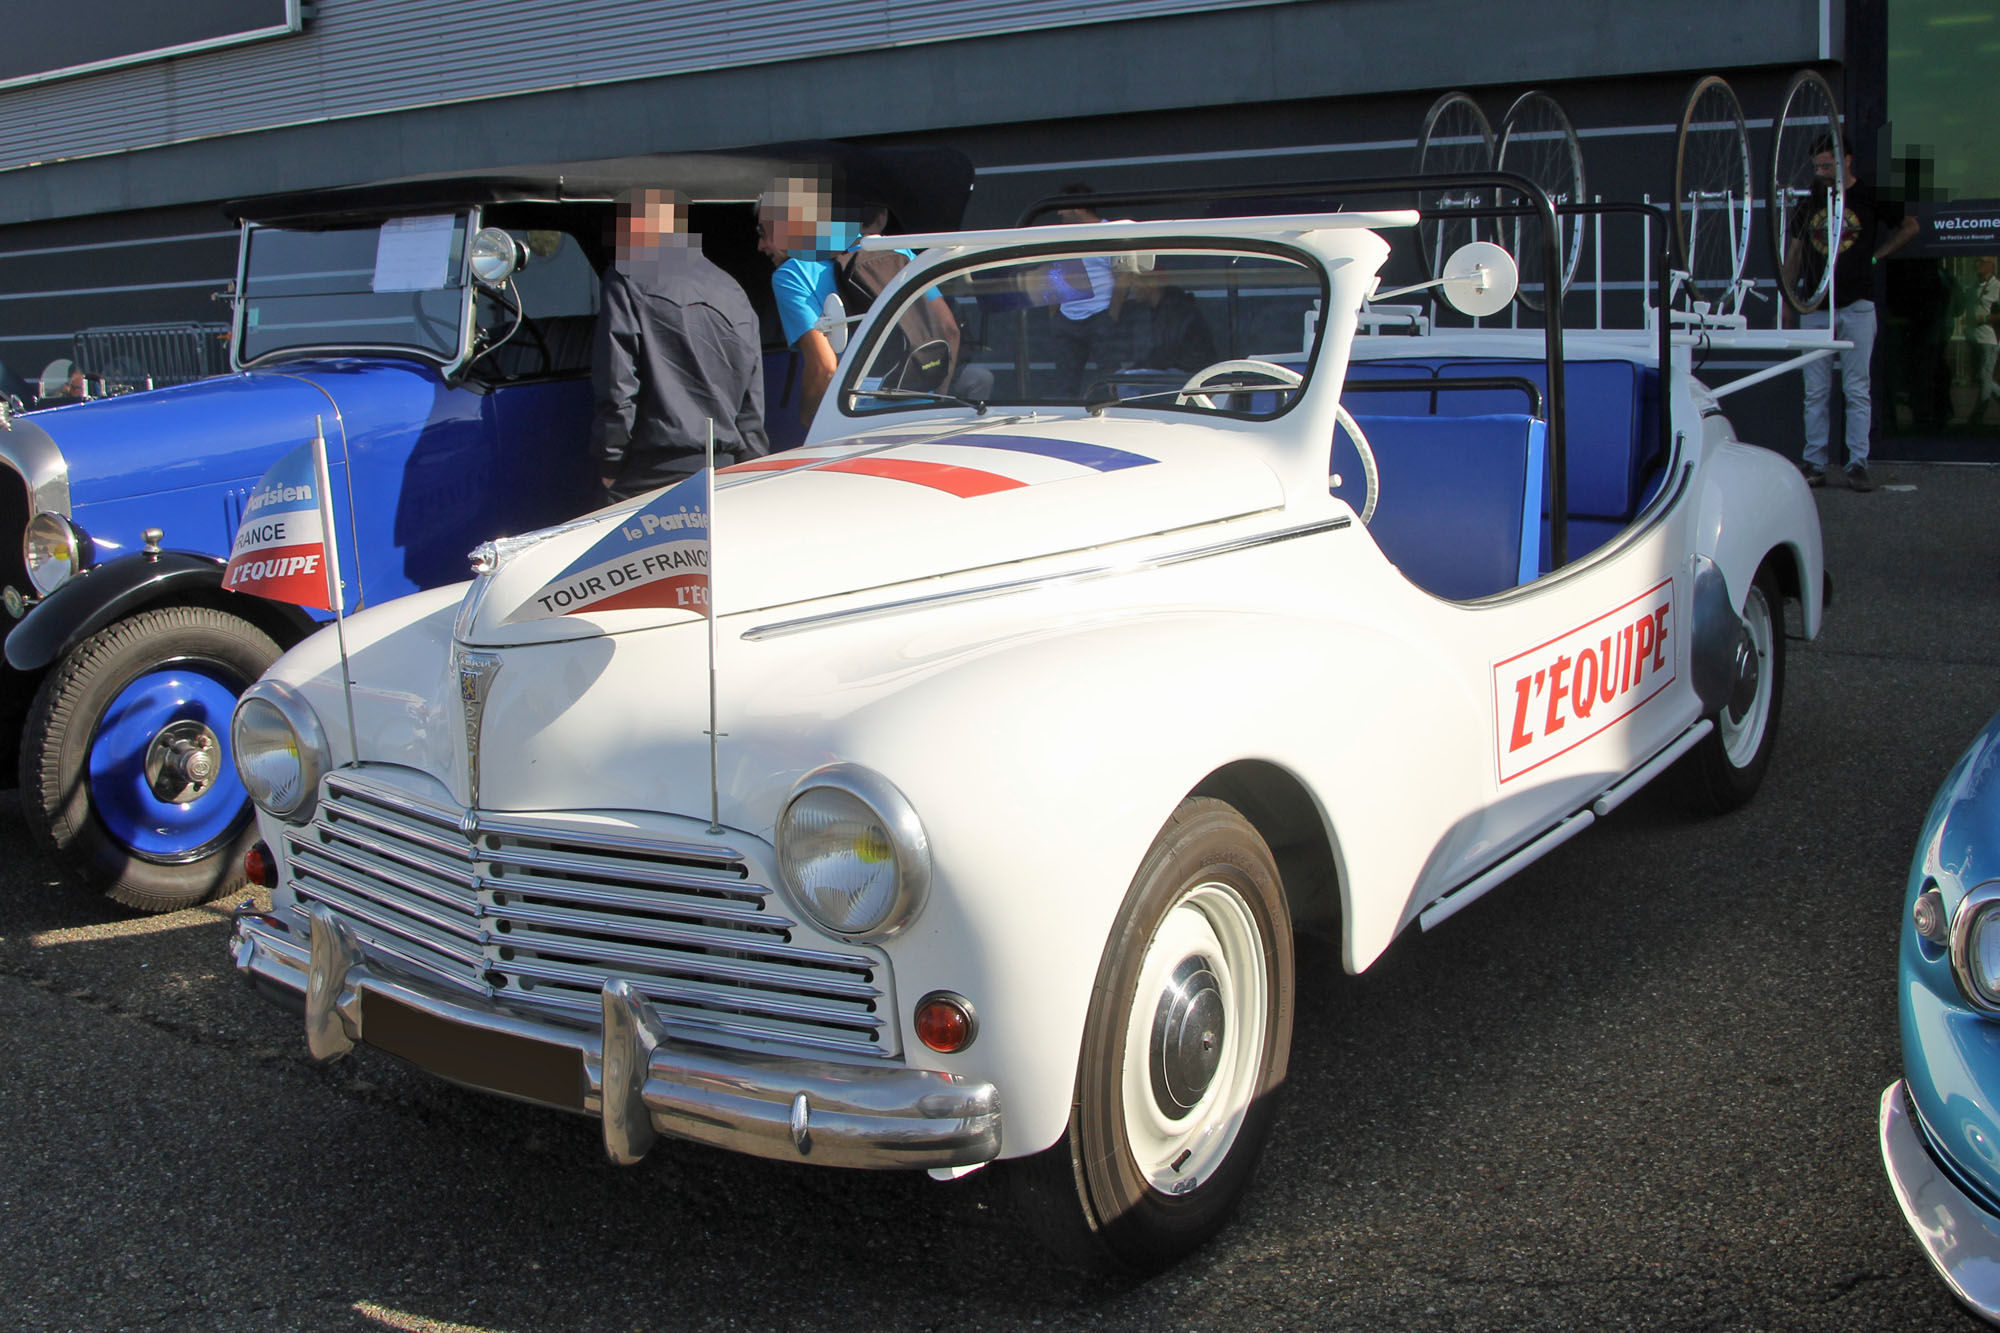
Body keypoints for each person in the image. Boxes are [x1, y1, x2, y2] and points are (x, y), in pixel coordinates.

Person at [591, 187, 768, 503]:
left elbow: (618, 382)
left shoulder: (625, 277)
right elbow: (751, 397)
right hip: (724, 469)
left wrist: (611, 460)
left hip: (652, 470)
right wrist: (751, 465)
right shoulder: (732, 289)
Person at [1784, 135, 1920, 492]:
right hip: (1814, 306)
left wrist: (1878, 255)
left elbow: (1910, 226)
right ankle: (1814, 462)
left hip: (1857, 303)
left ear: (1848, 160)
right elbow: (1795, 251)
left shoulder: (1870, 196)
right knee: (1815, 390)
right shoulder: (1811, 198)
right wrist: (1787, 300)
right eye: (1817, 167)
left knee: (1856, 387)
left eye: (1828, 165)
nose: (1822, 172)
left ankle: (1857, 463)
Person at [758, 174, 858, 425]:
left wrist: (808, 422)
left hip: (853, 419)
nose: (761, 245)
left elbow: (824, 367)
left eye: (763, 231)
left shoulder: (791, 274)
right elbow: (948, 329)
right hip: (924, 408)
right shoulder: (897, 252)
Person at [1047, 184, 1130, 396]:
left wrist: (1111, 316)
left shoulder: (1110, 233)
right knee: (1065, 385)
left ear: (1080, 208)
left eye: (1063, 207)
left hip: (1100, 318)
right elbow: (1056, 273)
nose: (1059, 213)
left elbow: (1123, 276)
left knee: (1110, 379)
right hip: (1066, 320)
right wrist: (1054, 314)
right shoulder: (1062, 235)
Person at [1966, 255, 2000, 424]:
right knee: (1983, 377)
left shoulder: (1997, 287)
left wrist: (1984, 319)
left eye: (1981, 261)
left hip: (1989, 339)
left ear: (1991, 266)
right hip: (1974, 338)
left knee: (1985, 376)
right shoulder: (1973, 287)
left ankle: (1977, 417)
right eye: (1976, 260)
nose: (1977, 264)